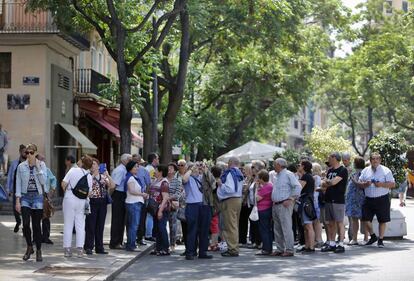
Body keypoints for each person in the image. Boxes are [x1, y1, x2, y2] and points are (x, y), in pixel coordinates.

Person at [15, 143, 47, 262]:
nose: (28, 155)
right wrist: (17, 200)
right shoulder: (21, 167)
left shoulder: (42, 165)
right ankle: (29, 247)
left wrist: (38, 168)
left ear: (36, 153)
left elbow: (43, 181)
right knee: (26, 224)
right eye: (27, 153)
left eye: (31, 153)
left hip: (38, 198)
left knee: (36, 226)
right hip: (25, 197)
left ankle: (38, 250)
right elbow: (18, 183)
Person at [357, 152, 395, 248]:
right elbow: (359, 183)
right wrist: (365, 184)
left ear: (380, 160)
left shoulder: (386, 171)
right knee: (365, 219)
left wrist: (381, 184)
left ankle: (381, 240)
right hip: (368, 198)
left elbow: (393, 184)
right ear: (370, 160)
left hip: (382, 198)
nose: (375, 161)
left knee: (382, 220)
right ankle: (373, 236)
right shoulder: (365, 170)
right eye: (373, 159)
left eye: (377, 159)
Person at [61, 155, 93, 257]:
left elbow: (63, 184)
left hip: (70, 198)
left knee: (68, 224)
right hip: (82, 201)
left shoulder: (73, 170)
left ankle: (67, 249)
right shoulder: (89, 176)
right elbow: (89, 192)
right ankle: (80, 249)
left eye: (80, 159)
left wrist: (68, 191)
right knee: (80, 225)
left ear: (82, 162)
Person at [271, 158, 302, 257]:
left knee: (286, 227)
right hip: (276, 204)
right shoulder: (277, 175)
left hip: (284, 204)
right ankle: (279, 249)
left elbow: (297, 187)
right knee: (277, 228)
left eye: (275, 164)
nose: (273, 166)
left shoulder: (288, 174)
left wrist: (291, 199)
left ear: (279, 165)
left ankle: (289, 249)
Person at [84, 158, 115, 255]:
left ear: (98, 166)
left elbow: (113, 186)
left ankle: (99, 247)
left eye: (95, 164)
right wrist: (93, 175)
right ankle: (88, 247)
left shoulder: (103, 177)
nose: (93, 166)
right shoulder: (88, 176)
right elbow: (87, 186)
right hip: (92, 201)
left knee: (100, 225)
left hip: (102, 202)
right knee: (90, 225)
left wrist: (108, 175)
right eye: (92, 164)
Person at [320, 152, 348, 254]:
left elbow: (332, 182)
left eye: (329, 158)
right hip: (328, 199)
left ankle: (340, 244)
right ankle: (331, 243)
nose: (328, 160)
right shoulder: (330, 170)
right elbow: (323, 184)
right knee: (330, 223)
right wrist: (326, 182)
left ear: (334, 158)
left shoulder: (342, 170)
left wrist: (326, 181)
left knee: (339, 223)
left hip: (338, 200)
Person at [217, 157, 244, 257]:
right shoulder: (239, 173)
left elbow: (230, 189)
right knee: (234, 225)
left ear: (230, 163)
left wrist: (220, 184)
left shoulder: (230, 173)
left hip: (230, 200)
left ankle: (232, 249)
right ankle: (234, 247)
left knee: (230, 225)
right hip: (237, 199)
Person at [124, 161, 148, 252]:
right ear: (130, 168)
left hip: (135, 203)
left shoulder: (134, 177)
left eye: (137, 167)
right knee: (134, 225)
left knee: (132, 225)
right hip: (133, 203)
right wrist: (143, 194)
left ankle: (131, 243)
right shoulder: (130, 178)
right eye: (135, 167)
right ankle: (131, 245)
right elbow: (132, 191)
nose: (137, 168)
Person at [109, 153, 132, 249]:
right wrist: (110, 196)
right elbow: (114, 185)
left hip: (121, 195)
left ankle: (119, 241)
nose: (131, 162)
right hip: (118, 195)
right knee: (117, 220)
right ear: (124, 160)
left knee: (121, 219)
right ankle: (115, 242)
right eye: (130, 160)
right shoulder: (120, 170)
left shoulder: (123, 170)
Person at [345, 156, 367, 245]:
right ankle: (358, 238)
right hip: (354, 199)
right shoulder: (356, 173)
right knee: (359, 219)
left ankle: (358, 238)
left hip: (358, 199)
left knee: (359, 219)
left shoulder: (362, 173)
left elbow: (359, 185)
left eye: (354, 162)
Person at [149, 164, 170, 256]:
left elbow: (165, 198)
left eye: (156, 170)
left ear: (161, 172)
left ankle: (165, 248)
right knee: (157, 228)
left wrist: (160, 210)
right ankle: (158, 248)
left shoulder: (164, 183)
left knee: (162, 228)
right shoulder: (156, 181)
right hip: (154, 208)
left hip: (162, 208)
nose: (155, 172)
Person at [36, 153, 57, 245]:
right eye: (41, 159)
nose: (43, 161)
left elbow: (53, 179)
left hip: (45, 196)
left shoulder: (47, 170)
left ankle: (46, 237)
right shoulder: (34, 170)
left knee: (46, 217)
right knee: (36, 218)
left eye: (44, 159)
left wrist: (52, 191)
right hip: (36, 196)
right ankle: (36, 238)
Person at [132, 154, 151, 246]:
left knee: (142, 218)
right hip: (131, 197)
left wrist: (146, 194)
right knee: (132, 219)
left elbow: (148, 184)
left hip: (141, 197)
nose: (135, 163)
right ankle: (131, 237)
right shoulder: (129, 170)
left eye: (136, 161)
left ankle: (140, 237)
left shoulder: (144, 171)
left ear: (139, 161)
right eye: (133, 160)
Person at [6, 144, 26, 233]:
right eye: (23, 152)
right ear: (20, 152)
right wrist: (8, 189)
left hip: (25, 190)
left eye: (26, 152)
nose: (25, 153)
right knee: (15, 208)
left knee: (25, 208)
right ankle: (18, 222)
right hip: (15, 189)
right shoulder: (15, 163)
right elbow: (10, 176)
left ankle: (25, 227)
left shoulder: (28, 162)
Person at [297, 160, 316, 254]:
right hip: (306, 201)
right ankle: (308, 245)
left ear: (303, 167)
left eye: (300, 165)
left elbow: (299, 187)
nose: (298, 166)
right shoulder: (308, 176)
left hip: (306, 202)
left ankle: (311, 247)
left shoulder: (306, 176)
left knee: (308, 225)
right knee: (306, 226)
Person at [255, 169, 273, 255]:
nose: (257, 179)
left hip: (263, 210)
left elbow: (257, 198)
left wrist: (257, 188)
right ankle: (268, 247)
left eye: (258, 178)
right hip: (268, 209)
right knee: (268, 229)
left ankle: (266, 248)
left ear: (262, 178)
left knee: (264, 230)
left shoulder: (265, 187)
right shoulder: (270, 185)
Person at [145, 152, 159, 242]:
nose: (158, 160)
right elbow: (152, 184)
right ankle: (149, 234)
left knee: (149, 215)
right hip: (151, 195)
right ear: (154, 160)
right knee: (150, 214)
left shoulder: (147, 168)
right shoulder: (152, 170)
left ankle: (148, 233)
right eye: (157, 159)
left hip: (148, 194)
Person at [167, 162, 181, 252]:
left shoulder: (177, 180)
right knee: (162, 225)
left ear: (175, 171)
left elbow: (178, 194)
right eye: (168, 167)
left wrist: (168, 198)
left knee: (173, 225)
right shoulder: (164, 179)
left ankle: (172, 244)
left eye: (171, 168)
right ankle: (163, 243)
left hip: (172, 204)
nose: (169, 169)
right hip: (163, 205)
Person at [312, 162, 324, 248]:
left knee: (316, 222)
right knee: (317, 221)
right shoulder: (319, 177)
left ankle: (318, 239)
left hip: (315, 200)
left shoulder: (315, 178)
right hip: (317, 200)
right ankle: (318, 239)